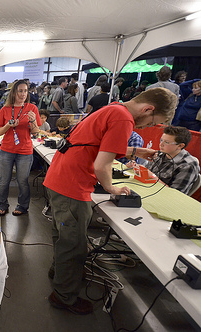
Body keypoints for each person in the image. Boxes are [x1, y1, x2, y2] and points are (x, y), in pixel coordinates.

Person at [43, 87, 177, 315]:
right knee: (74, 245)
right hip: (72, 186)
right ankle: (64, 295)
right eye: (155, 121)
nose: (148, 127)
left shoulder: (114, 109)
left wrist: (135, 151)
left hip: (59, 178)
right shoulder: (124, 118)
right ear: (148, 109)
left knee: (63, 234)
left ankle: (61, 272)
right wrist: (112, 187)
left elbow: (99, 146)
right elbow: (101, 164)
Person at [0, 80, 41, 216]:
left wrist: (32, 121)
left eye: (25, 91)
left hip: (25, 151)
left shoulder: (32, 109)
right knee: (4, 180)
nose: (23, 94)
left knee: (23, 180)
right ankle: (2, 204)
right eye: (20, 91)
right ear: (14, 92)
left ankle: (22, 206)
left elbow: (35, 133)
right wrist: (9, 125)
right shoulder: (5, 109)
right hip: (6, 150)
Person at [145, 126, 200, 194]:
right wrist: (137, 168)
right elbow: (146, 173)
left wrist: (152, 177)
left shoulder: (188, 165)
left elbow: (175, 193)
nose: (161, 144)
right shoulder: (160, 154)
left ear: (180, 146)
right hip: (148, 190)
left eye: (167, 142)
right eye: (161, 140)